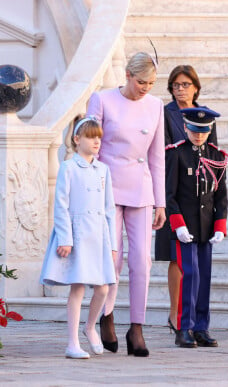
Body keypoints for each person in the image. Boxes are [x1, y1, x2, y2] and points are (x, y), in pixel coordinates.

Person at [86, 52, 166, 357]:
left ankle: (137, 327)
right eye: (141, 81)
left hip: (141, 189)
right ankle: (106, 317)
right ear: (128, 76)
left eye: (151, 82)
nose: (145, 87)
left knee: (142, 260)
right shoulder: (103, 100)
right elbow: (90, 147)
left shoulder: (156, 106)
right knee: (113, 258)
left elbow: (158, 157)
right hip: (107, 188)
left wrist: (160, 202)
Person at [39, 117, 117, 359]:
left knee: (103, 288)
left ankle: (90, 326)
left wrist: (113, 243)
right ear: (76, 139)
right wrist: (65, 238)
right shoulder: (68, 167)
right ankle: (72, 342)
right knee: (79, 286)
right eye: (90, 137)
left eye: (99, 137)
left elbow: (110, 209)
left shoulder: (103, 169)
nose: (96, 141)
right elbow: (60, 204)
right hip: (78, 233)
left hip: (99, 235)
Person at [154, 65, 218, 334]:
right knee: (175, 257)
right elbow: (163, 152)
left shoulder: (206, 116)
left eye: (185, 84)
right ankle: (175, 313)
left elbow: (214, 156)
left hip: (200, 196)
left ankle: (194, 319)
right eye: (176, 85)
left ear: (195, 87)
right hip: (174, 192)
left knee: (198, 263)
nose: (180, 89)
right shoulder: (164, 114)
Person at [166, 106, 228, 348]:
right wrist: (178, 226)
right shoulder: (176, 154)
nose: (198, 135)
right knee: (189, 275)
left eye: (203, 131)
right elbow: (169, 195)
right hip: (185, 228)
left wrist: (220, 225)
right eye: (194, 130)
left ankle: (201, 327)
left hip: (206, 227)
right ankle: (184, 327)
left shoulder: (217, 156)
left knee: (204, 277)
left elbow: (221, 196)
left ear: (209, 129)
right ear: (185, 128)